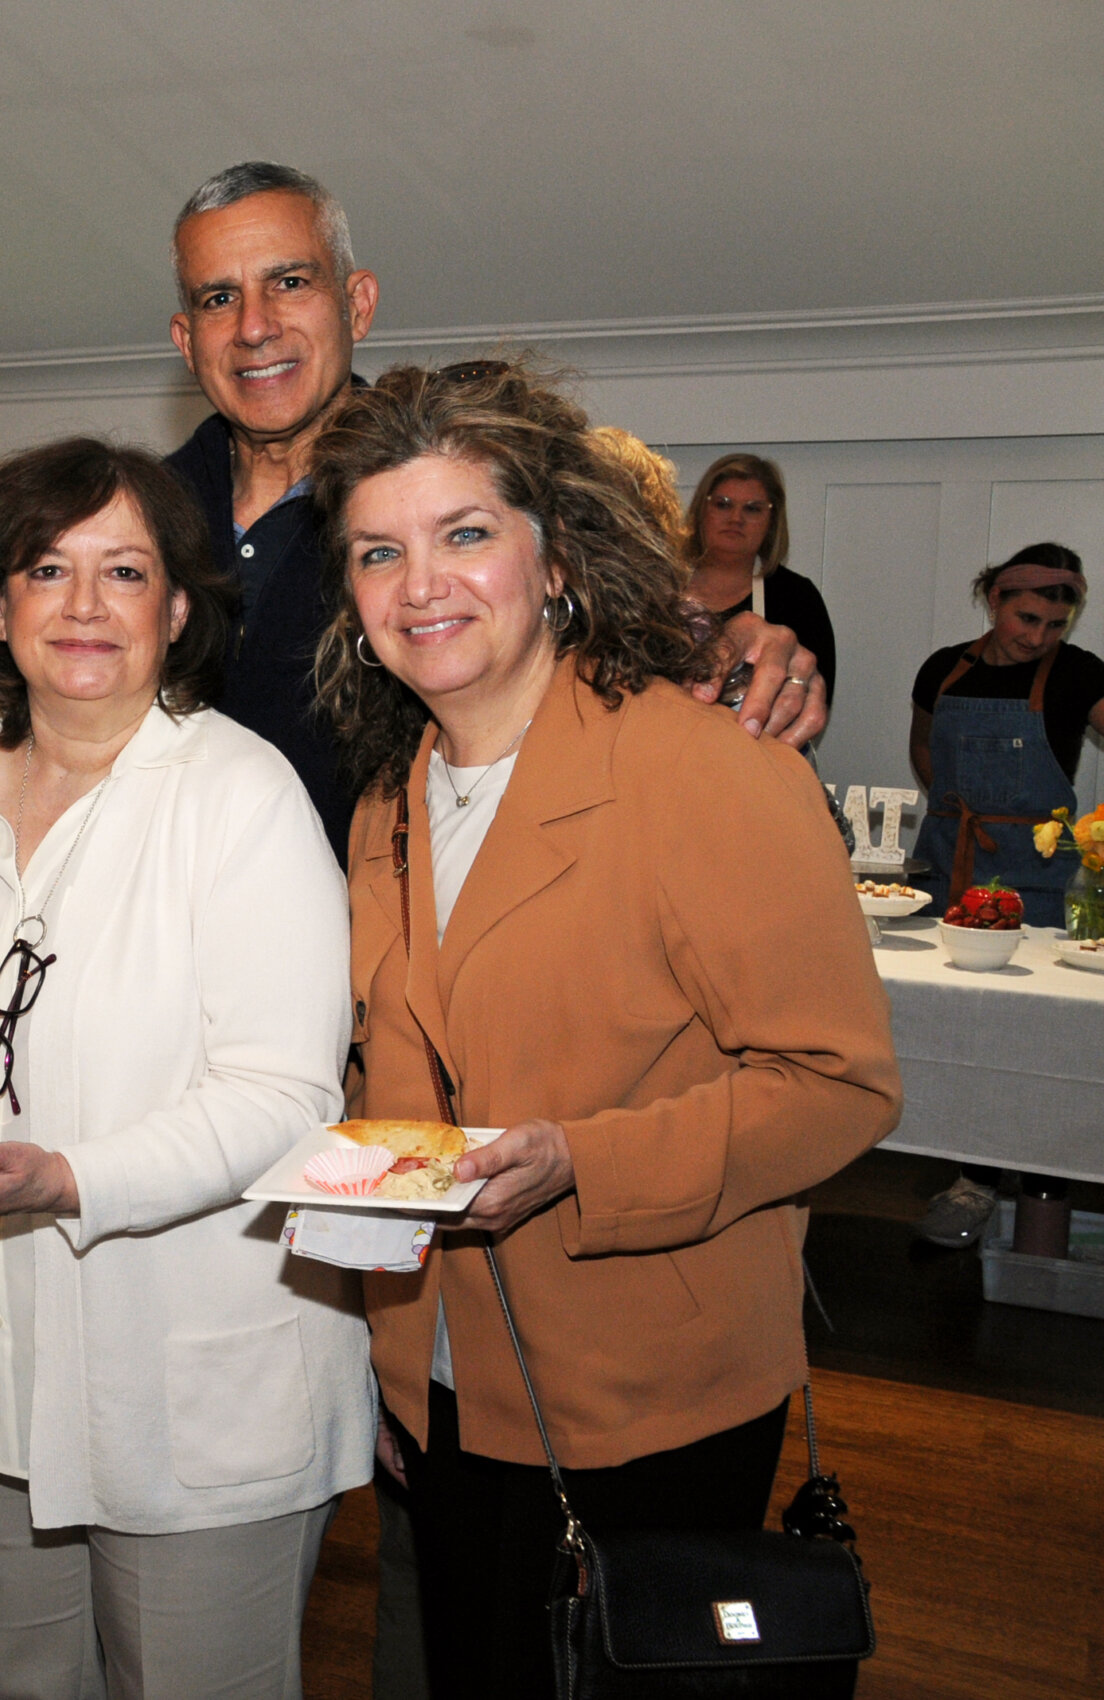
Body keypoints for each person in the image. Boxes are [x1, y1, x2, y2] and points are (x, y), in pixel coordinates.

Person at [309, 360, 900, 1697]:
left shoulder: (707, 761)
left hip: (655, 1390)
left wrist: (585, 1159)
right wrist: (385, 1348)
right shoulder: (386, 806)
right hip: (448, 1389)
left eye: (466, 535)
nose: (421, 587)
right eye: (378, 552)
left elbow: (840, 1086)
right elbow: (390, 1089)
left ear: (558, 556)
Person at [0, 438, 373, 1699]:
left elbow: (284, 1095)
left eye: (124, 570)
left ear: (176, 607)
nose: (85, 603)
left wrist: (65, 1174)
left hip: (183, 1374)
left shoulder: (239, 794)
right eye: (47, 568)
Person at [159, 163, 829, 860]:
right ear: (185, 340)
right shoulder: (128, 525)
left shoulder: (450, 482)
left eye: (289, 283)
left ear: (357, 303)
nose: (254, 327)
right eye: (218, 299)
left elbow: (616, 638)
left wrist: (730, 653)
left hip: (400, 942)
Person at [905, 541, 1099, 1249]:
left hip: (1034, 876)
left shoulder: (1078, 676)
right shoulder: (944, 668)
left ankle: (1004, 1178)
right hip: (945, 862)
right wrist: (957, 810)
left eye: (1054, 624)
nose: (1037, 636)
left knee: (1027, 1032)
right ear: (994, 600)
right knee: (947, 1022)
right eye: (1025, 618)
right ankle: (957, 1164)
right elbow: (924, 747)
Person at [683, 452, 837, 698]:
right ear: (701, 510)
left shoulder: (797, 598)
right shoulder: (660, 585)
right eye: (723, 504)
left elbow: (815, 696)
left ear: (771, 522)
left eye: (752, 509)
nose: (736, 518)